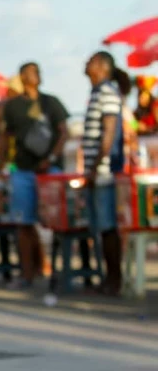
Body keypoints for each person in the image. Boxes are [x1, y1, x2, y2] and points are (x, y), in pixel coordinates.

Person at [0, 62, 68, 287]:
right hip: (23, 170)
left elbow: (64, 132)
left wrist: (50, 158)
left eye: (38, 71)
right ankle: (28, 273)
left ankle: (56, 273)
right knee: (24, 224)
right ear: (22, 77)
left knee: (60, 222)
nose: (37, 75)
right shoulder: (12, 106)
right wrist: (2, 164)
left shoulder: (51, 102)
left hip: (50, 171)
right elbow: (4, 135)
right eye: (31, 72)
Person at [82, 51, 126, 296]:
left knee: (108, 227)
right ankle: (109, 279)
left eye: (90, 62)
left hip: (104, 171)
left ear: (101, 66)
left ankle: (114, 280)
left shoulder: (106, 92)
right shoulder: (98, 92)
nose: (86, 65)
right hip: (98, 169)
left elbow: (108, 134)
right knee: (102, 226)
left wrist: (94, 167)